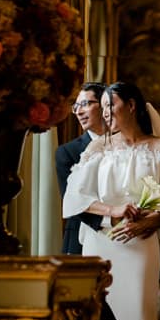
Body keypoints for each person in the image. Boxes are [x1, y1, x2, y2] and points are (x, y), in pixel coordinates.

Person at [62, 81, 160, 320]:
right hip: (101, 245)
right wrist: (113, 210)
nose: (105, 112)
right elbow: (74, 198)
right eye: (102, 106)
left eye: (111, 105)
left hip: (141, 245)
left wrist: (148, 223)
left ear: (130, 105)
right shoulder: (98, 148)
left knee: (139, 312)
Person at [56, 82, 106, 254]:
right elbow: (71, 200)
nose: (78, 111)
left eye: (85, 104)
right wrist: (112, 220)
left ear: (105, 104)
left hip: (129, 237)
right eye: (75, 106)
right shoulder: (67, 152)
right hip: (82, 237)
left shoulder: (128, 144)